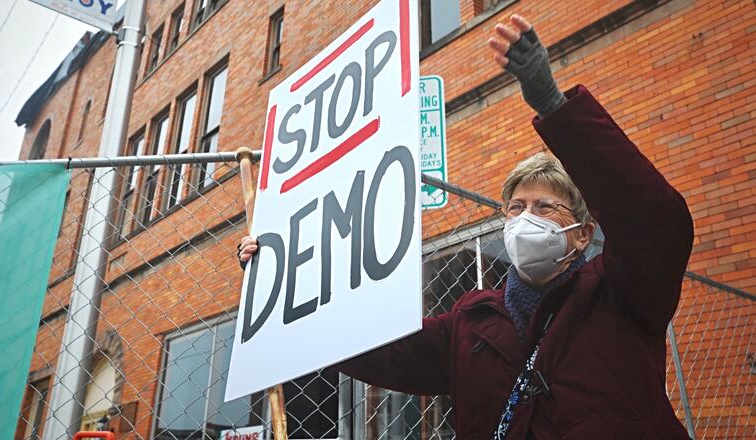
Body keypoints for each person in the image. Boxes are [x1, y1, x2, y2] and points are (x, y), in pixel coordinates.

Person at [238, 14, 694, 439]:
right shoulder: (468, 323)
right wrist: (281, 286)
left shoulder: (625, 294)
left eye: (545, 207)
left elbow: (656, 223)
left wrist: (553, 105)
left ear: (582, 234)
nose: (525, 217)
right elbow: (377, 349)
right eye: (515, 207)